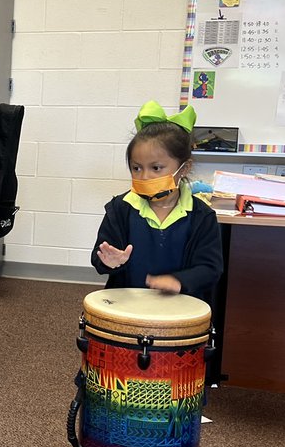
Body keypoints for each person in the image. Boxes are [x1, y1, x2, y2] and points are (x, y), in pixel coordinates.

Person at [92, 101, 222, 305]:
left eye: (156, 168)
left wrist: (178, 281)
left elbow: (210, 268)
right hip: (128, 304)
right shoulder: (120, 208)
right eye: (136, 168)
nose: (144, 176)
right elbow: (99, 256)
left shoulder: (202, 216)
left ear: (184, 168)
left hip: (180, 306)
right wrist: (110, 261)